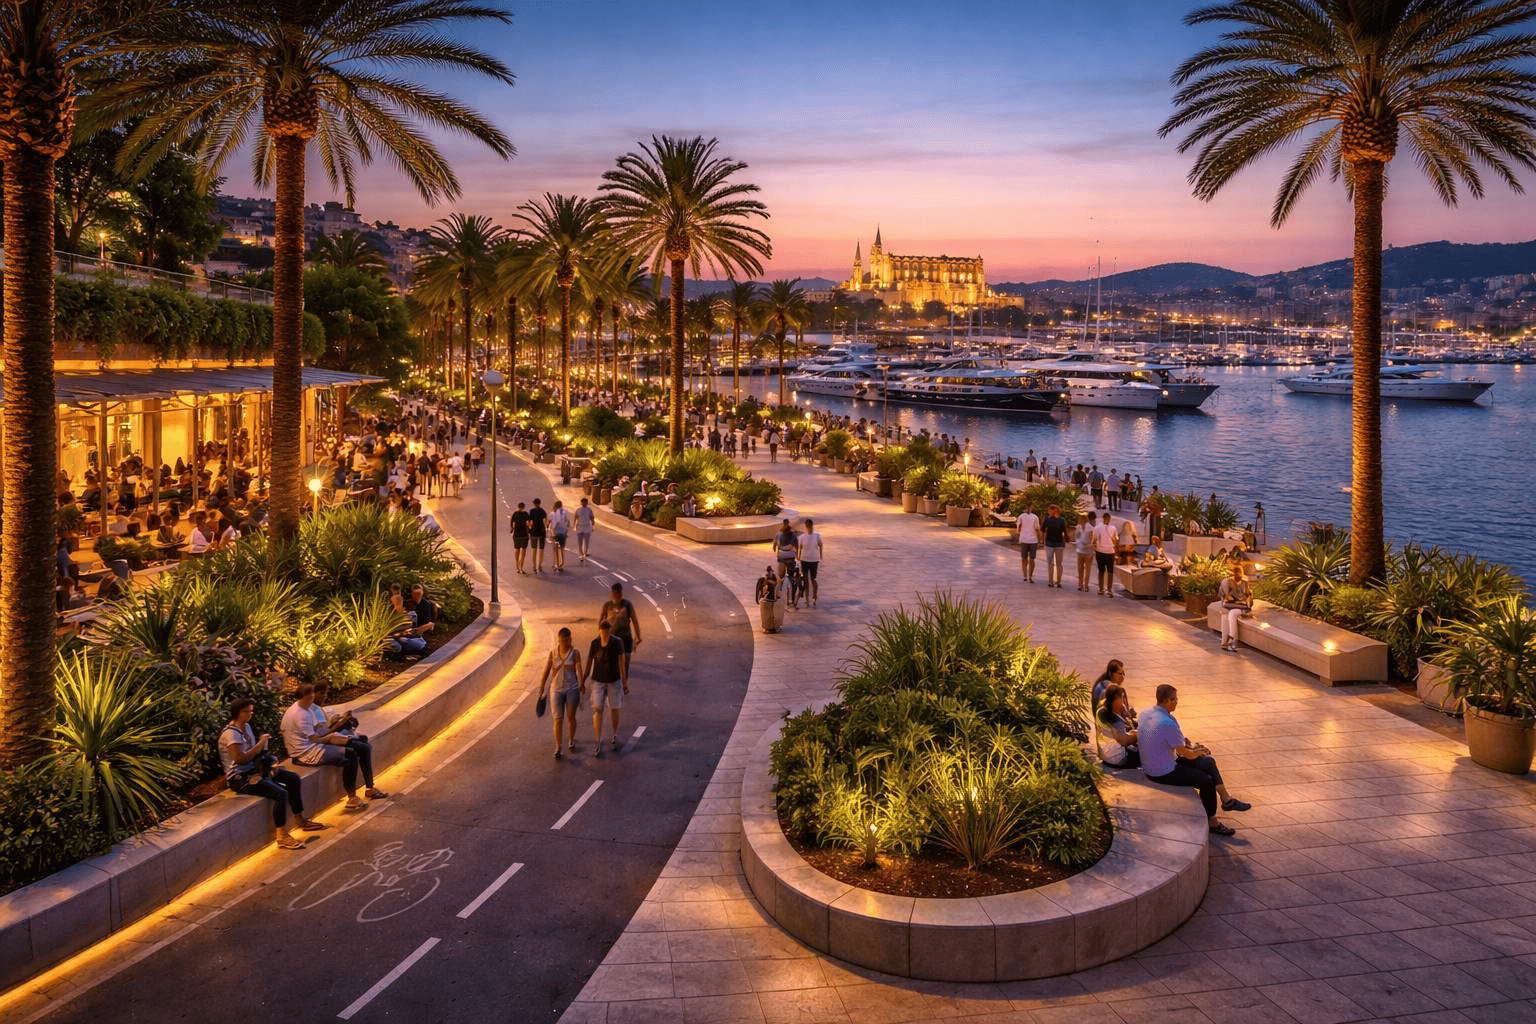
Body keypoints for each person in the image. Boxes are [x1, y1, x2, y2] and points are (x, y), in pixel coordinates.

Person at [1137, 685, 1249, 836]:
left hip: (1155, 763)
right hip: (1162, 771)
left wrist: (1195, 750)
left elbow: (1178, 746)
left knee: (1208, 762)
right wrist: (1199, 752)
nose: (1177, 701)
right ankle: (1212, 822)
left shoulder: (1145, 712)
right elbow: (1186, 753)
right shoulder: (1167, 722)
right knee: (1206, 781)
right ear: (1168, 700)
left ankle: (1226, 799)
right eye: (1175, 699)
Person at [220, 697, 324, 850]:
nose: (249, 714)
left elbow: (254, 754)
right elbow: (239, 759)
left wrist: (269, 763)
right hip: (240, 777)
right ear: (236, 713)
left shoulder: (246, 727)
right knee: (281, 793)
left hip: (254, 769)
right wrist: (259, 745)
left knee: (293, 778)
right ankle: (281, 835)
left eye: (251, 711)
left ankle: (300, 819)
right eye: (245, 712)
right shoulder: (231, 734)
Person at [281, 683, 387, 810]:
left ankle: (369, 788)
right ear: (302, 697)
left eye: (312, 697)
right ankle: (352, 798)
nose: (312, 700)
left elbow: (320, 732)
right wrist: (337, 730)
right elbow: (316, 738)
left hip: (315, 743)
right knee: (350, 755)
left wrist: (335, 730)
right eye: (309, 698)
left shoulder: (307, 708)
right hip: (307, 752)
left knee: (363, 747)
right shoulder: (301, 715)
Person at [583, 620, 628, 755]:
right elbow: (589, 662)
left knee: (614, 708)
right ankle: (598, 739)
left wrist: (624, 682)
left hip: (614, 680)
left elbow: (621, 662)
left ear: (610, 631)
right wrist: (583, 681)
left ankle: (614, 733)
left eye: (607, 633)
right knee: (597, 709)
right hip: (597, 681)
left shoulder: (617, 643)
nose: (605, 635)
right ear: (599, 631)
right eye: (603, 633)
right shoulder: (595, 644)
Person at [539, 628, 584, 758]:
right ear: (559, 640)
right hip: (556, 690)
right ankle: (558, 746)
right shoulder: (553, 653)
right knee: (557, 719)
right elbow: (546, 670)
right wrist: (542, 685)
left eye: (567, 640)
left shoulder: (575, 653)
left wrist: (581, 684)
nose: (564, 642)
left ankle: (571, 739)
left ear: (570, 639)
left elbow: (579, 669)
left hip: (572, 689)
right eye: (562, 640)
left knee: (570, 716)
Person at [599, 582, 642, 672]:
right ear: (612, 594)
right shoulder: (607, 605)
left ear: (621, 594)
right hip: (612, 638)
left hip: (626, 637)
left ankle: (624, 682)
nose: (616, 596)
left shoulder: (627, 605)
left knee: (625, 664)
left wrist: (638, 635)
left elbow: (634, 621)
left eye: (618, 593)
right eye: (614, 593)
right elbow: (601, 622)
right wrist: (601, 636)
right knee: (612, 663)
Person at [1096, 683, 1139, 769]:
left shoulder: (1100, 711)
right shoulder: (1116, 720)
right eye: (1122, 698)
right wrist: (1138, 734)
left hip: (1105, 755)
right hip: (1119, 759)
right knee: (1148, 751)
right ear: (1115, 700)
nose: (1123, 701)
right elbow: (1124, 741)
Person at [1216, 561, 1253, 652]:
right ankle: (1224, 643)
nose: (1238, 574)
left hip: (1242, 608)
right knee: (1225, 616)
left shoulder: (1245, 584)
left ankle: (1233, 641)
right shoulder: (1227, 582)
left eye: (1240, 572)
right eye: (1236, 572)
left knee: (1232, 614)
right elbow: (1223, 596)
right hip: (1231, 606)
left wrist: (1247, 599)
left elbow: (1249, 600)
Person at [797, 518, 824, 607]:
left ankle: (814, 596)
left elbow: (820, 545)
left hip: (813, 560)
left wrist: (820, 556)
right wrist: (799, 557)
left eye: (809, 526)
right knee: (806, 580)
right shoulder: (802, 537)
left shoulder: (817, 535)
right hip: (804, 560)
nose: (808, 527)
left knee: (813, 579)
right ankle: (807, 598)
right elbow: (800, 548)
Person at [1091, 513, 1119, 597]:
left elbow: (1094, 540)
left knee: (1102, 571)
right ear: (1108, 519)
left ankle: (1102, 589)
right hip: (1109, 551)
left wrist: (1095, 548)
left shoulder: (1097, 528)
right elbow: (1116, 539)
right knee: (1108, 571)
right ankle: (1107, 590)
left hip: (1101, 551)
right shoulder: (1113, 528)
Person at [1041, 503, 1068, 588]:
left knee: (1058, 563)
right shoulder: (1047, 519)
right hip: (1050, 543)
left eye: (1052, 509)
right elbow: (1042, 530)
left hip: (1058, 543)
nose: (1050, 511)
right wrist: (1042, 539)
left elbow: (1065, 532)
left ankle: (1058, 581)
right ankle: (1051, 580)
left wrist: (1067, 539)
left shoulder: (1061, 520)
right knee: (1051, 563)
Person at [1016, 504, 1041, 584]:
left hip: (1032, 540)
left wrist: (1039, 538)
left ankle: (1029, 576)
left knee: (1031, 559)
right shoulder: (1021, 516)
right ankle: (1025, 576)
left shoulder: (1035, 517)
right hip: (1025, 540)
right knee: (1025, 558)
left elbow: (1037, 528)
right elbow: (1018, 527)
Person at [756, 564, 784, 633]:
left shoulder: (775, 578)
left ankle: (775, 625)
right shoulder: (764, 579)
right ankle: (767, 626)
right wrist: (758, 597)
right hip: (767, 598)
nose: (769, 572)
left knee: (774, 612)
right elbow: (760, 588)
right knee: (767, 612)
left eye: (770, 571)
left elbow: (778, 587)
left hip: (773, 598)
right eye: (769, 571)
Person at [1074, 511, 1097, 592]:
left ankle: (1086, 585)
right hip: (1080, 550)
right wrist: (1077, 543)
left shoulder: (1090, 528)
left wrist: (1089, 545)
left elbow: (1092, 540)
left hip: (1088, 552)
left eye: (1081, 519)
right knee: (1080, 569)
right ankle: (1080, 584)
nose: (1080, 520)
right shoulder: (1078, 527)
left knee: (1087, 569)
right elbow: (1076, 537)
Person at [549, 499, 571, 572]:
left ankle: (557, 564)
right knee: (562, 548)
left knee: (555, 549)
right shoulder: (565, 512)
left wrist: (553, 533)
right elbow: (568, 523)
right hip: (563, 533)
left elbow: (554, 524)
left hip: (556, 533)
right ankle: (562, 563)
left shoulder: (553, 513)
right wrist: (566, 531)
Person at [528, 496, 549, 573]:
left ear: (534, 503)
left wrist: (529, 529)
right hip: (541, 532)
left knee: (534, 549)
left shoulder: (531, 511)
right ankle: (539, 565)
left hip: (533, 532)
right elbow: (546, 520)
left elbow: (529, 522)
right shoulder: (542, 511)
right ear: (539, 503)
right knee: (541, 549)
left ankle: (534, 566)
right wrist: (546, 527)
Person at [509, 501, 530, 574]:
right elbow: (529, 523)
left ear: (518, 507)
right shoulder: (526, 514)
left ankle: (517, 565)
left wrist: (512, 529)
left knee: (516, 549)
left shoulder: (515, 514)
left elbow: (512, 523)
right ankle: (521, 566)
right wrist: (528, 529)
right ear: (523, 507)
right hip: (524, 534)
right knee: (523, 551)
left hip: (516, 534)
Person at [574, 496, 595, 563]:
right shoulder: (578, 510)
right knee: (580, 542)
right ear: (581, 503)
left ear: (587, 503)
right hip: (580, 527)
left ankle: (585, 554)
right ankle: (581, 554)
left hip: (587, 527)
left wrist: (593, 526)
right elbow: (576, 518)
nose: (584, 503)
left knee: (586, 541)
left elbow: (592, 518)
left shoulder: (589, 510)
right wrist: (575, 526)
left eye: (585, 502)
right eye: (583, 502)